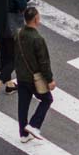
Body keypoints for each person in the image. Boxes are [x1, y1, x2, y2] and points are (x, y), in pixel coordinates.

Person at [14, 7, 55, 142]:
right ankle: (34, 124)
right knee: (47, 99)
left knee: (23, 105)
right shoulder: (37, 39)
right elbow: (43, 62)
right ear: (36, 19)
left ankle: (23, 134)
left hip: (21, 75)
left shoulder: (19, 34)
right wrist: (50, 80)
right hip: (34, 78)